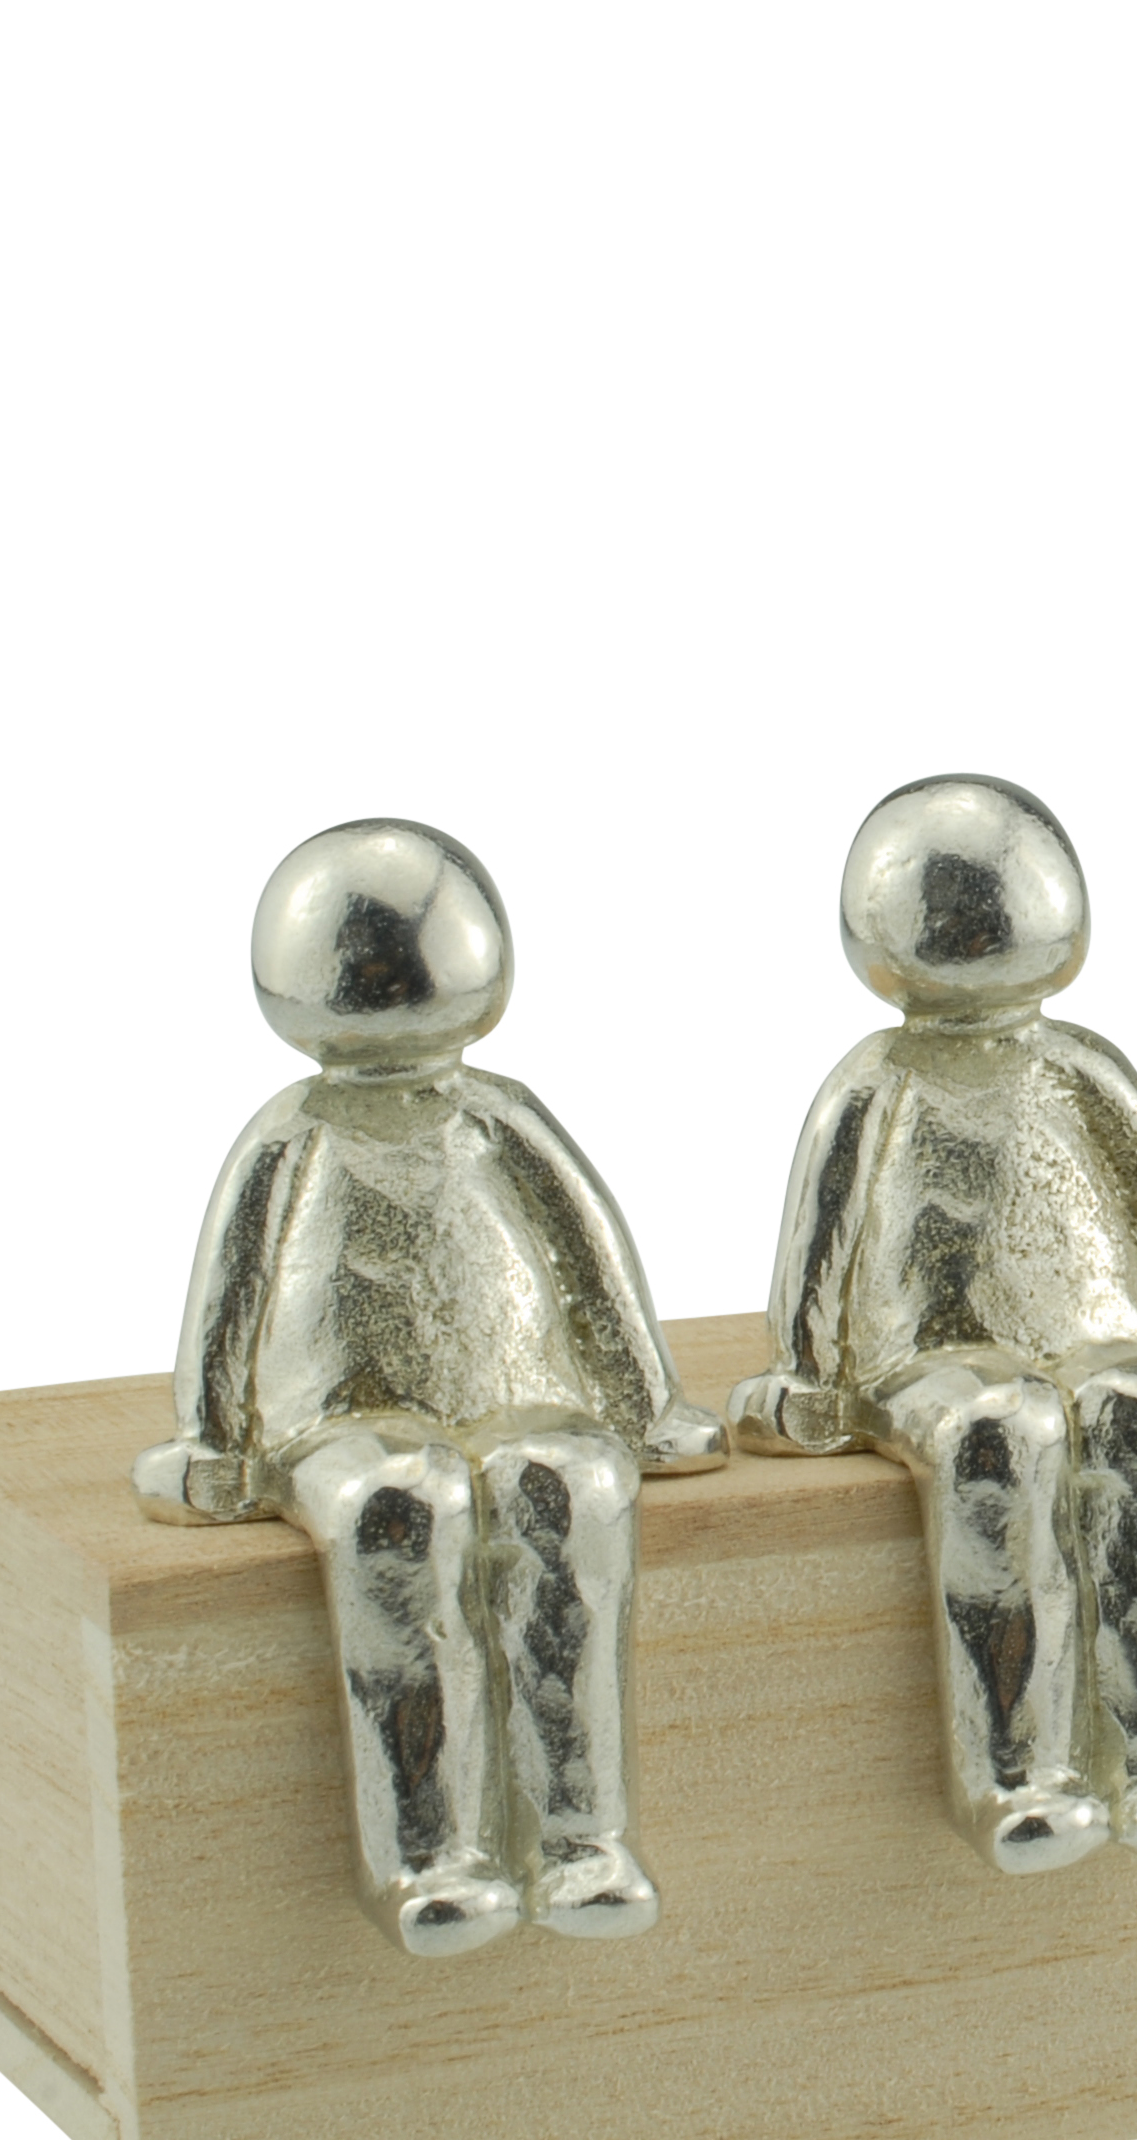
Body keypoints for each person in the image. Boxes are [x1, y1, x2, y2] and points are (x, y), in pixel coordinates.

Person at [136, 819, 724, 1955]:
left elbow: (589, 1257)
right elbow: (234, 1292)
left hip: (523, 1396)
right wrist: (215, 1440)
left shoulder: (498, 1119)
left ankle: (579, 1840)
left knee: (574, 1486)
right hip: (338, 1419)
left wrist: (645, 1407)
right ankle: (429, 1856)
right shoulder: (290, 1141)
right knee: (395, 1511)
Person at [731, 776, 1137, 1873]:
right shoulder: (875, 1084)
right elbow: (823, 1236)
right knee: (1000, 1433)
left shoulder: (1078, 1068)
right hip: (928, 1354)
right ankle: (1019, 1773)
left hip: (1102, 1329)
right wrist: (807, 1373)